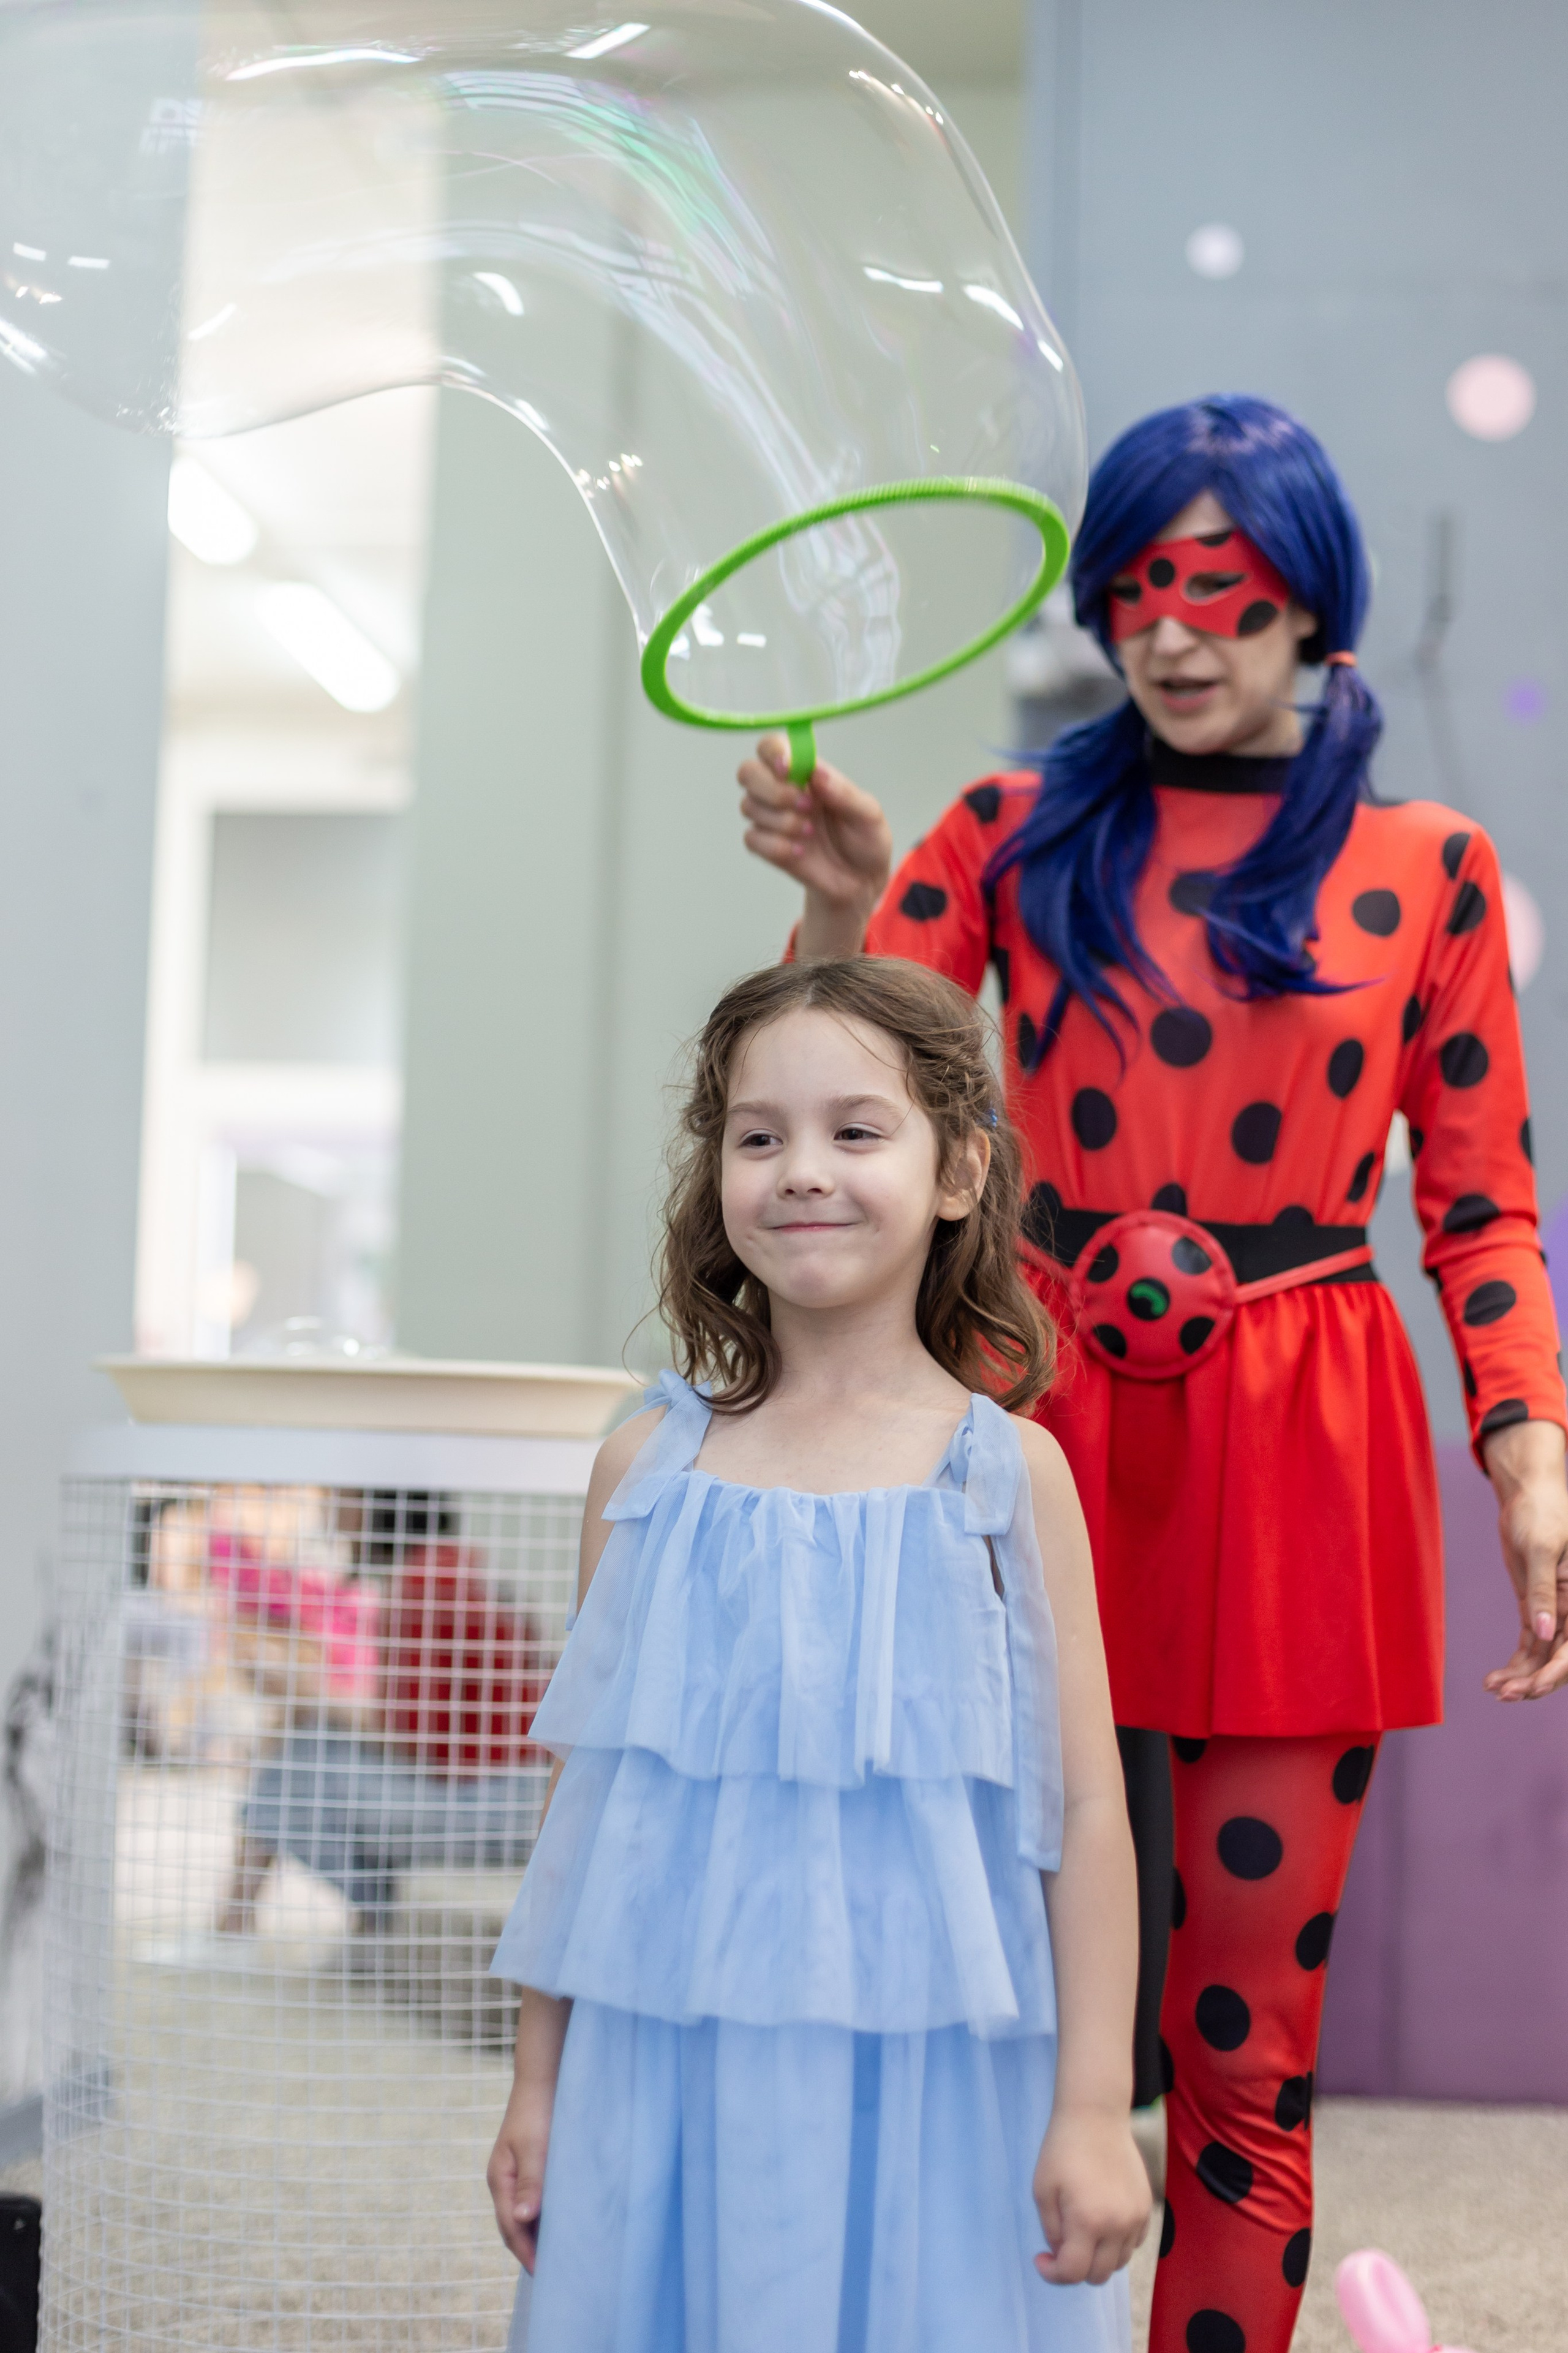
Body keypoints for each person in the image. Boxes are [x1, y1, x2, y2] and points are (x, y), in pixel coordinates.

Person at [734, 394, 1568, 2353]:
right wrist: (851, 906)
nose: (1175, 634)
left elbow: (1482, 1204)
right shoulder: (1015, 832)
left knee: (1243, 2037)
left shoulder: (1428, 869)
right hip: (1033, 1428)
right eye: (1138, 589)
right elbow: (850, 1090)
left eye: (1228, 590)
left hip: (1304, 1452)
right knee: (982, 1981)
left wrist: (1526, 1441)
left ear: (1317, 610)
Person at [486, 957, 1151, 2352]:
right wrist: (535, 2082)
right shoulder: (644, 1468)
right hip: (665, 2050)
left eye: (855, 1130)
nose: (801, 1170)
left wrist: (1092, 2104)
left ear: (958, 1168)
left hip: (936, 2070)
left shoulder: (1007, 1477)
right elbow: (587, 1810)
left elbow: (1087, 1808)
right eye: (756, 1134)